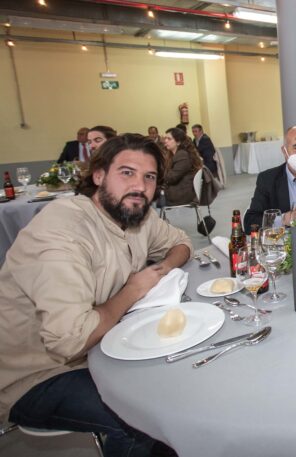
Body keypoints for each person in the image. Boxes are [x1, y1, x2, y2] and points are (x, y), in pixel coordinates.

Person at [0, 133, 192, 456]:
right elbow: (70, 339)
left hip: (103, 345)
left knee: (181, 376)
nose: (139, 186)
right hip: (37, 375)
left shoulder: (136, 214)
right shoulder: (62, 231)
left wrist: (161, 270)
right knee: (147, 417)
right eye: (127, 173)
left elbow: (181, 243)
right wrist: (133, 290)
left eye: (149, 177)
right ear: (99, 175)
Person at [162, 127, 203, 206]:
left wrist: (161, 176)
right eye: (165, 138)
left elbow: (172, 178)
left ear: (178, 142)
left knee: (151, 193)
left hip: (182, 194)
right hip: (181, 190)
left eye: (169, 139)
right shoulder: (173, 154)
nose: (165, 141)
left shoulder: (182, 155)